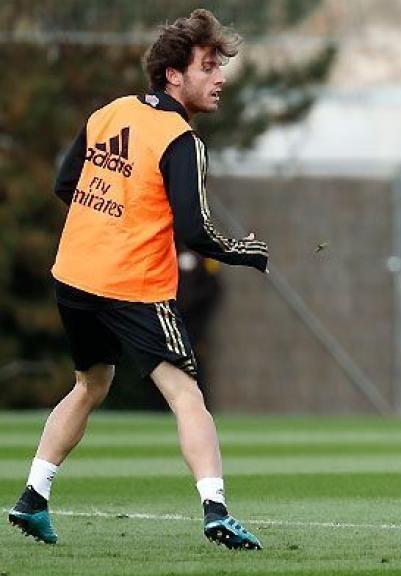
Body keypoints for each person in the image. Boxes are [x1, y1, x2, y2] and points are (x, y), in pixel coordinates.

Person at [8, 9, 267, 550]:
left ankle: (33, 497)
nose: (219, 78)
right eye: (208, 66)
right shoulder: (180, 139)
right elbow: (196, 232)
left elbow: (65, 183)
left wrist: (109, 220)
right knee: (185, 392)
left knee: (89, 384)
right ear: (174, 74)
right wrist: (243, 252)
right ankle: (216, 509)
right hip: (132, 286)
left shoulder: (112, 112)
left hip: (74, 276)